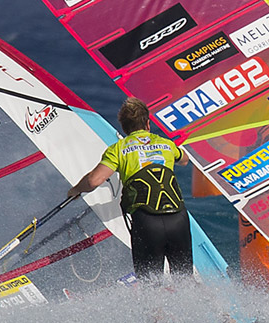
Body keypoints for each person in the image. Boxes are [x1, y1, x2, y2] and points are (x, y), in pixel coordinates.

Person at [70, 96, 193, 279]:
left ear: (124, 127)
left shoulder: (119, 149)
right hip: (178, 220)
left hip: (147, 223)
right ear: (148, 124)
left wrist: (75, 190)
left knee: (151, 286)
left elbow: (94, 181)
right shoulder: (166, 144)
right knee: (185, 281)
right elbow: (184, 160)